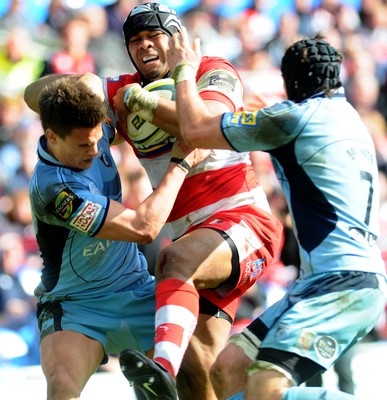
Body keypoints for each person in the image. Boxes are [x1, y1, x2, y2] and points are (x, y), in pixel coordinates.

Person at [166, 28, 387, 400]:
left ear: (291, 81)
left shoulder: (294, 118)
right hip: (326, 280)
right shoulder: (349, 119)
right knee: (227, 369)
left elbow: (195, 129)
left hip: (341, 281)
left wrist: (184, 72)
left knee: (266, 384)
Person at [89, 3, 283, 399]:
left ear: (176, 38)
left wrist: (145, 101)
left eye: (153, 36)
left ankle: (159, 370)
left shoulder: (214, 70)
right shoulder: (124, 86)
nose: (144, 46)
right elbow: (43, 98)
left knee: (171, 258)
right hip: (197, 240)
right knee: (202, 378)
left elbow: (201, 127)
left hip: (243, 220)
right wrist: (81, 85)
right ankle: (175, 375)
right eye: (135, 41)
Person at [23, 73, 207, 400]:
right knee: (63, 387)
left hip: (136, 287)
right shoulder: (55, 190)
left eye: (99, 140)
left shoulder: (88, 130)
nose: (96, 150)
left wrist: (81, 83)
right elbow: (144, 228)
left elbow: (30, 94)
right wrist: (181, 163)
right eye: (84, 145)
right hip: (76, 307)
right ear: (51, 137)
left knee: (199, 369)